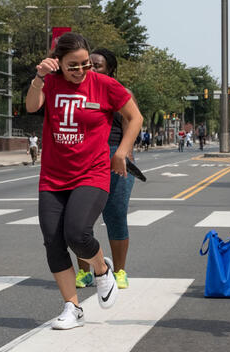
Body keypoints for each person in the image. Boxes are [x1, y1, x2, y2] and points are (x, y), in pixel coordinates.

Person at [25, 32, 143, 330]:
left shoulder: (105, 85)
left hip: (91, 172)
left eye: (85, 65)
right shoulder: (50, 82)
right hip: (53, 176)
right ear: (59, 63)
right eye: (72, 66)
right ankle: (72, 307)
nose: (80, 72)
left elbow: (135, 117)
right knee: (53, 241)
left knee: (77, 233)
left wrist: (123, 152)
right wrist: (38, 77)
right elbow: (30, 106)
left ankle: (102, 270)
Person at [73, 48, 136, 290]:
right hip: (84, 156)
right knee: (80, 219)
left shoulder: (120, 92)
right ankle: (83, 272)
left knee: (116, 216)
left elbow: (133, 121)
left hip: (113, 157)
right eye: (89, 64)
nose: (91, 68)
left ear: (109, 69)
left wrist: (124, 152)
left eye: (97, 65)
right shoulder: (77, 91)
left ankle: (120, 272)